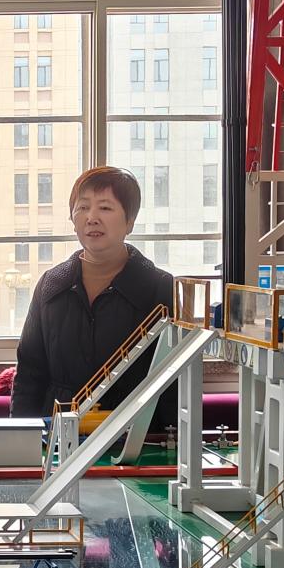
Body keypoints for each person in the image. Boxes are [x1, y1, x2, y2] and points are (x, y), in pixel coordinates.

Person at [12, 166, 174, 425]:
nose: (92, 217)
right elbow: (29, 373)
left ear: (130, 221)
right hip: (58, 435)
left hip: (132, 435)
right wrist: (22, 438)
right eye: (83, 207)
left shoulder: (159, 287)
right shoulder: (51, 285)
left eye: (105, 208)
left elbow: (172, 378)